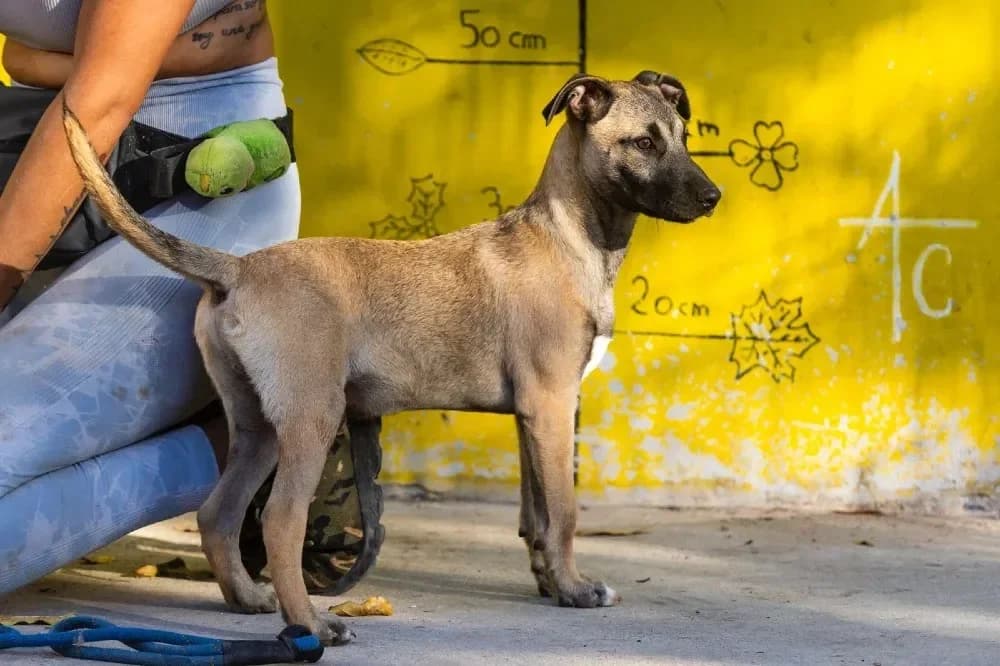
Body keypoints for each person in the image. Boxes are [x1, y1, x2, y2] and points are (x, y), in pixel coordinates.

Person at [0, 0, 382, 597]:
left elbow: (97, 101)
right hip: (34, 165)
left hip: (195, 202)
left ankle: (244, 440)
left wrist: (64, 62)